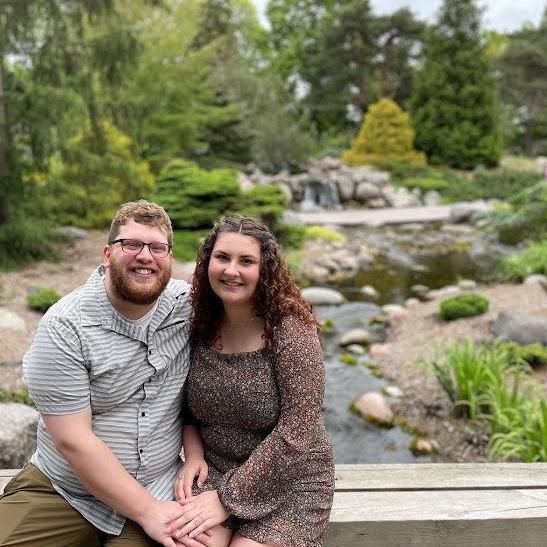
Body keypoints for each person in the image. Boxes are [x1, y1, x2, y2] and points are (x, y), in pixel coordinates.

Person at [0, 200, 207, 547]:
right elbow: (74, 441)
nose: (145, 256)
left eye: (158, 247)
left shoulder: (188, 308)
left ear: (170, 258)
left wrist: (196, 456)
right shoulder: (65, 327)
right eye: (131, 245)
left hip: (160, 485)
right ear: (107, 254)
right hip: (65, 490)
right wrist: (148, 511)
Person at [168, 217, 335, 547]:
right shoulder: (199, 322)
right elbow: (187, 407)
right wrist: (195, 454)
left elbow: (298, 429)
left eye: (246, 261)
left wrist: (226, 499)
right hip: (215, 470)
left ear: (265, 270)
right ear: (207, 262)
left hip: (289, 480)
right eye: (223, 258)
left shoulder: (290, 327)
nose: (232, 270)